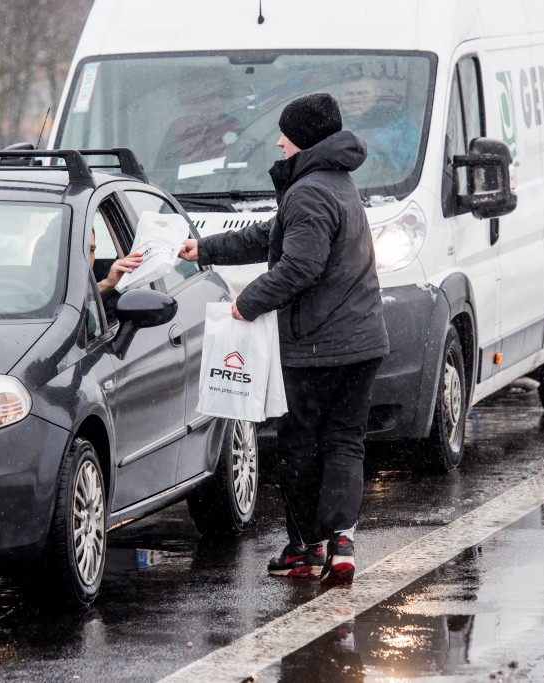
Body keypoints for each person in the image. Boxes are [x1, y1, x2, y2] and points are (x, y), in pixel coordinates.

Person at [179, 92, 389, 585]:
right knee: (344, 441)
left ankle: (306, 548)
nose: (278, 142)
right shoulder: (335, 183)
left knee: (300, 445)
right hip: (360, 342)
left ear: (306, 139)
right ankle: (340, 545)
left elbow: (300, 265)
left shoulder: (309, 192)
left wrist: (246, 303)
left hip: (319, 345)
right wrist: (205, 248)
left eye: (286, 135)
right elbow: (269, 236)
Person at [337, 74, 421, 181]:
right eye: (349, 94)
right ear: (340, 96)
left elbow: (408, 168)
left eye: (363, 94)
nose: (356, 99)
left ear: (377, 94)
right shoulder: (329, 125)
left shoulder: (402, 125)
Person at [90, 227, 142, 321]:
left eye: (91, 250)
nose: (85, 258)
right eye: (75, 250)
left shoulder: (115, 291)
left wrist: (107, 284)